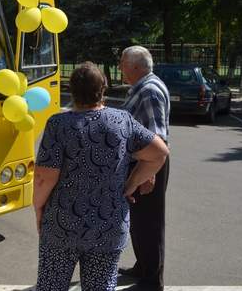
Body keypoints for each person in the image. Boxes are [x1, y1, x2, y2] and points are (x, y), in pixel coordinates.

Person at [34, 62, 169, 291]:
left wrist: (38, 208)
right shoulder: (121, 120)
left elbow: (45, 177)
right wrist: (130, 185)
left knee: (51, 286)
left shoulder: (57, 124)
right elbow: (159, 153)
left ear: (72, 89)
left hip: (61, 224)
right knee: (100, 286)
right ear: (103, 89)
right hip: (108, 224)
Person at [118, 46, 171, 290]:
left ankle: (152, 281)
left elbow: (157, 137)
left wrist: (148, 174)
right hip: (144, 163)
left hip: (148, 164)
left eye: (123, 64)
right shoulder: (144, 85)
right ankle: (143, 267)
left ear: (136, 67)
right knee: (139, 221)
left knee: (149, 223)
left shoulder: (149, 91)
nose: (120, 68)